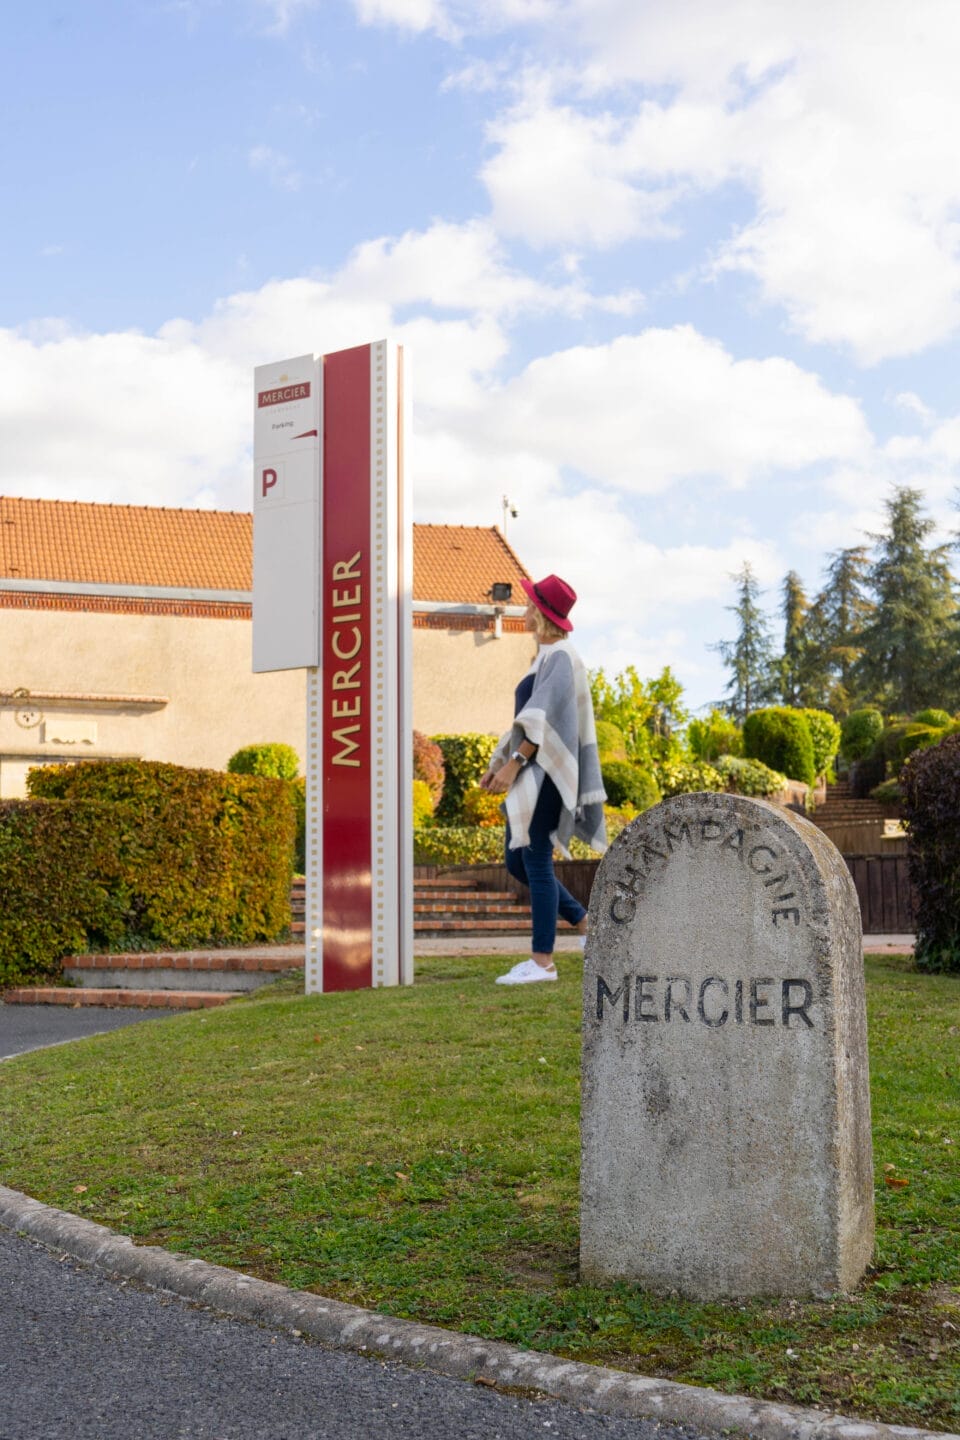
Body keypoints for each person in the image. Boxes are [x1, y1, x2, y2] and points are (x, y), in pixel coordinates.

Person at [479, 573, 606, 985]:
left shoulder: (563, 657)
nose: (525, 608)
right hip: (536, 770)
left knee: (533, 857)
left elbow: (544, 720)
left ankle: (542, 962)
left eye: (531, 603)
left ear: (542, 613)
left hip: (548, 773)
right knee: (518, 860)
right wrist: (499, 762)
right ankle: (586, 924)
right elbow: (525, 719)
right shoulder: (546, 657)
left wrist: (515, 762)